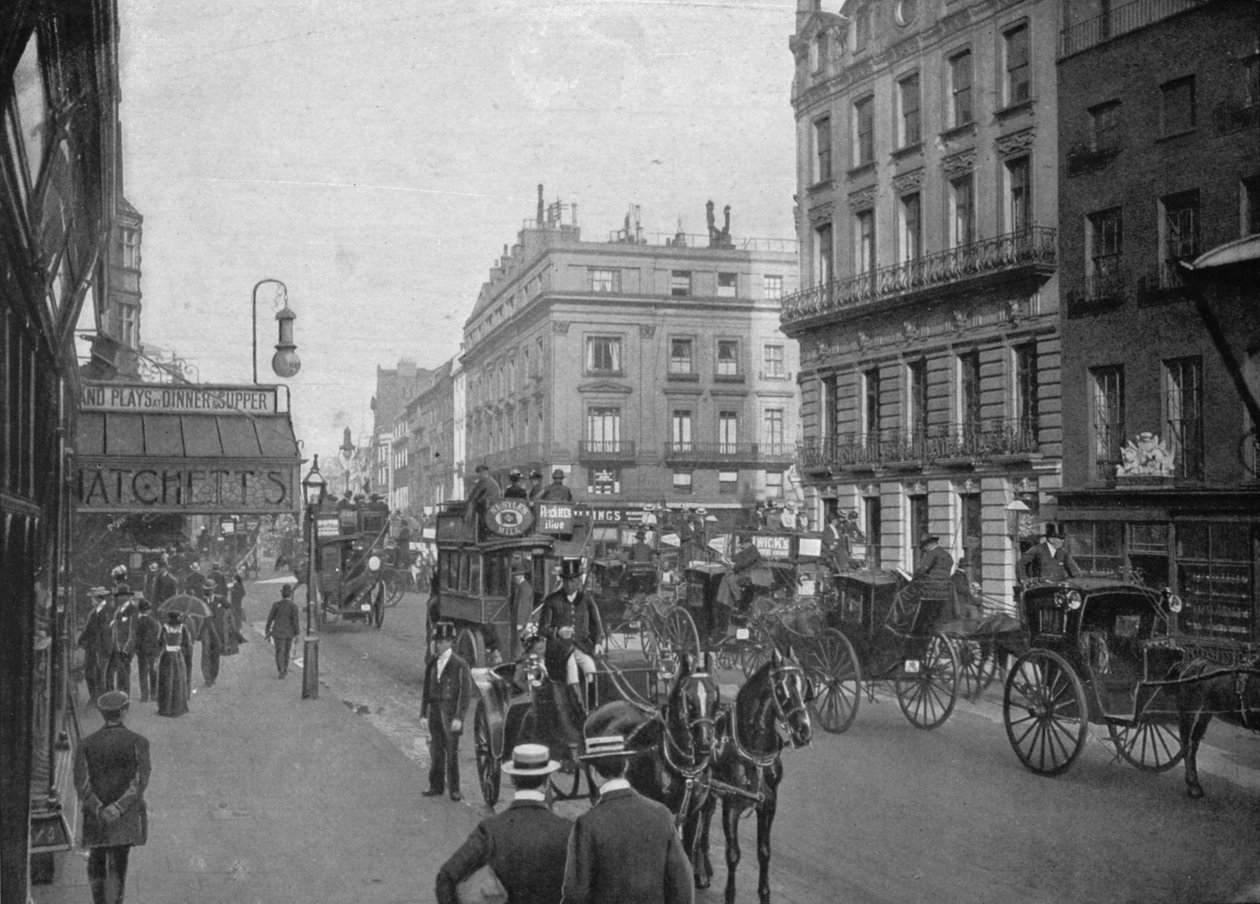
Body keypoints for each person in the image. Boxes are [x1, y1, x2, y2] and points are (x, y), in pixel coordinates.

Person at [560, 731, 693, 904]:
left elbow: (576, 894)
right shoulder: (662, 813)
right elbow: (682, 886)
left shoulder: (587, 824)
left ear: (594, 773)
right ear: (625, 766)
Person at [435, 743, 571, 904]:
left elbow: (446, 877)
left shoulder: (492, 829)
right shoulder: (567, 830)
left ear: (513, 779)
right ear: (547, 781)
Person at [74, 690, 151, 904]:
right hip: (124, 819)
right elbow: (140, 781)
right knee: (119, 864)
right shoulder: (139, 742)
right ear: (124, 711)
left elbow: (81, 783)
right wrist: (118, 807)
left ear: (101, 713)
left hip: (96, 818)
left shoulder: (85, 744)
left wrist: (99, 808)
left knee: (96, 864)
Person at [538, 562, 604, 722]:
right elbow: (542, 629)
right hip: (559, 650)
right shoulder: (552, 600)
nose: (569, 584)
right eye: (566, 581)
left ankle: (592, 709)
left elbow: (597, 625)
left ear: (579, 581)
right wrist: (558, 632)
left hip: (582, 646)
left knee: (590, 666)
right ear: (562, 581)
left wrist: (597, 643)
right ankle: (578, 712)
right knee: (571, 667)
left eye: (573, 581)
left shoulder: (587, 599)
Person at [421, 622, 471, 802]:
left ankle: (455, 789)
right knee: (436, 751)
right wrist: (423, 714)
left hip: (450, 713)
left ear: (450, 642)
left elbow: (465, 694)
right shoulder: (432, 663)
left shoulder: (460, 664)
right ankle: (436, 785)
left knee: (452, 752)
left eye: (442, 641)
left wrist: (460, 717)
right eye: (437, 641)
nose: (438, 645)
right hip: (435, 709)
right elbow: (426, 690)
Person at [78, 588, 115, 708]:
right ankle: (94, 697)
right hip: (92, 647)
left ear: (98, 598)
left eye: (93, 598)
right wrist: (80, 641)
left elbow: (105, 632)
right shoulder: (94, 612)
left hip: (102, 647)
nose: (91, 600)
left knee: (100, 674)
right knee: (90, 672)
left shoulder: (107, 611)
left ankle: (101, 699)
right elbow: (88, 630)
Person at [156, 612, 192, 716]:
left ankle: (165, 708)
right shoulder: (183, 627)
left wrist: (157, 656)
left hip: (166, 656)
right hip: (177, 656)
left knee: (166, 680)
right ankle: (177, 707)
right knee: (178, 680)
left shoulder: (164, 627)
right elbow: (187, 644)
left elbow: (159, 643)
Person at [264, 584, 302, 679]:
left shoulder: (276, 605)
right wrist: (297, 634)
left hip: (278, 632)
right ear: (290, 595)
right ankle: (285, 668)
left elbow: (270, 619)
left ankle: (281, 669)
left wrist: (267, 631)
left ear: (282, 594)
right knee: (287, 651)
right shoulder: (293, 606)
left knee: (279, 651)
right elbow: (295, 622)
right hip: (289, 633)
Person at [106, 589, 139, 696]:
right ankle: (114, 696)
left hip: (124, 648)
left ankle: (123, 698)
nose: (118, 598)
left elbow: (132, 632)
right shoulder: (119, 608)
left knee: (123, 674)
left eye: (120, 596)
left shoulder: (132, 609)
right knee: (111, 673)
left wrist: (126, 649)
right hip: (116, 646)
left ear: (126, 597)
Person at [134, 600, 162, 704]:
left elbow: (136, 637)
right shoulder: (154, 622)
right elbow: (157, 636)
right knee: (153, 672)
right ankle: (154, 694)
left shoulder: (137, 622)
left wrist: (137, 649)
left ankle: (144, 695)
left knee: (142, 672)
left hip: (142, 651)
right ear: (149, 610)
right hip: (152, 650)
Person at [196, 580, 223, 687]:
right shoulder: (201, 601)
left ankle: (213, 676)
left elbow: (230, 608)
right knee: (206, 653)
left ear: (213, 590)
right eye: (206, 590)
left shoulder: (219, 599)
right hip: (205, 629)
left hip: (217, 630)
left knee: (216, 653)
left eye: (210, 590)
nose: (207, 591)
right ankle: (207, 678)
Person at [229, 571, 248, 641]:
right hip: (239, 604)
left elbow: (233, 591)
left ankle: (236, 633)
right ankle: (238, 631)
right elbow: (243, 593)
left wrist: (232, 591)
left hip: (234, 604)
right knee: (238, 619)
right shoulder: (239, 585)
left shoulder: (235, 585)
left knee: (235, 618)